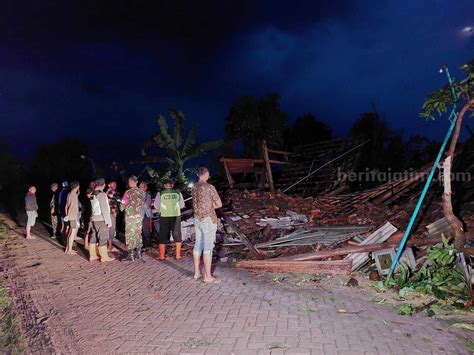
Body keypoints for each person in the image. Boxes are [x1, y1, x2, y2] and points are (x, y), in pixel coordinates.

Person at [192, 166, 222, 283]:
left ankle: (197, 273)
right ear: (206, 174)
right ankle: (208, 276)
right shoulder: (209, 187)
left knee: (198, 243)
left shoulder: (194, 187)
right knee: (208, 247)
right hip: (208, 219)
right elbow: (219, 204)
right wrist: (210, 207)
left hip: (197, 219)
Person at [155, 179, 185, 260]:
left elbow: (156, 206)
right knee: (177, 234)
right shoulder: (177, 192)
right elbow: (182, 205)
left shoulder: (160, 193)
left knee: (163, 235)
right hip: (176, 216)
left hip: (164, 216)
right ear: (172, 185)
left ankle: (161, 256)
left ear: (164, 185)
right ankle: (178, 255)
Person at [89, 178, 114, 262]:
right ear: (103, 184)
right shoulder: (101, 194)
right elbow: (104, 209)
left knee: (93, 236)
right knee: (103, 237)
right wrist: (108, 221)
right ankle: (104, 257)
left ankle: (92, 255)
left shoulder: (92, 193)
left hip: (94, 218)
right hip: (101, 219)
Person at [122, 176, 145, 261]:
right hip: (138, 217)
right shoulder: (142, 192)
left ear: (130, 182)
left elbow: (122, 205)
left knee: (130, 235)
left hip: (130, 217)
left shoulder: (127, 192)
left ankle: (131, 255)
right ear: (137, 182)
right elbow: (142, 204)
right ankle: (139, 253)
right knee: (138, 234)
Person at [64, 181, 80, 255]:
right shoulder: (74, 195)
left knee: (70, 232)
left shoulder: (69, 194)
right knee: (72, 232)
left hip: (70, 216)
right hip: (72, 216)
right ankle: (69, 249)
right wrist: (68, 215)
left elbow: (66, 206)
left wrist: (67, 214)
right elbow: (71, 206)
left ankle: (67, 248)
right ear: (77, 186)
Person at [106, 181, 121, 252]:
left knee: (111, 228)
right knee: (111, 228)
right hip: (111, 213)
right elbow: (118, 198)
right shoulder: (110, 192)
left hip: (112, 213)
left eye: (116, 184)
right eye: (113, 184)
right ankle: (109, 246)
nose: (115, 185)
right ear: (109, 185)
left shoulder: (113, 192)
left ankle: (109, 245)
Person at [139, 181, 152, 248]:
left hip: (145, 215)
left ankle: (148, 245)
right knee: (140, 232)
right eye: (139, 187)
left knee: (146, 231)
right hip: (139, 216)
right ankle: (142, 245)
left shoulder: (148, 196)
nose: (140, 188)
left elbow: (146, 206)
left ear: (145, 188)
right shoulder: (137, 195)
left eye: (142, 187)